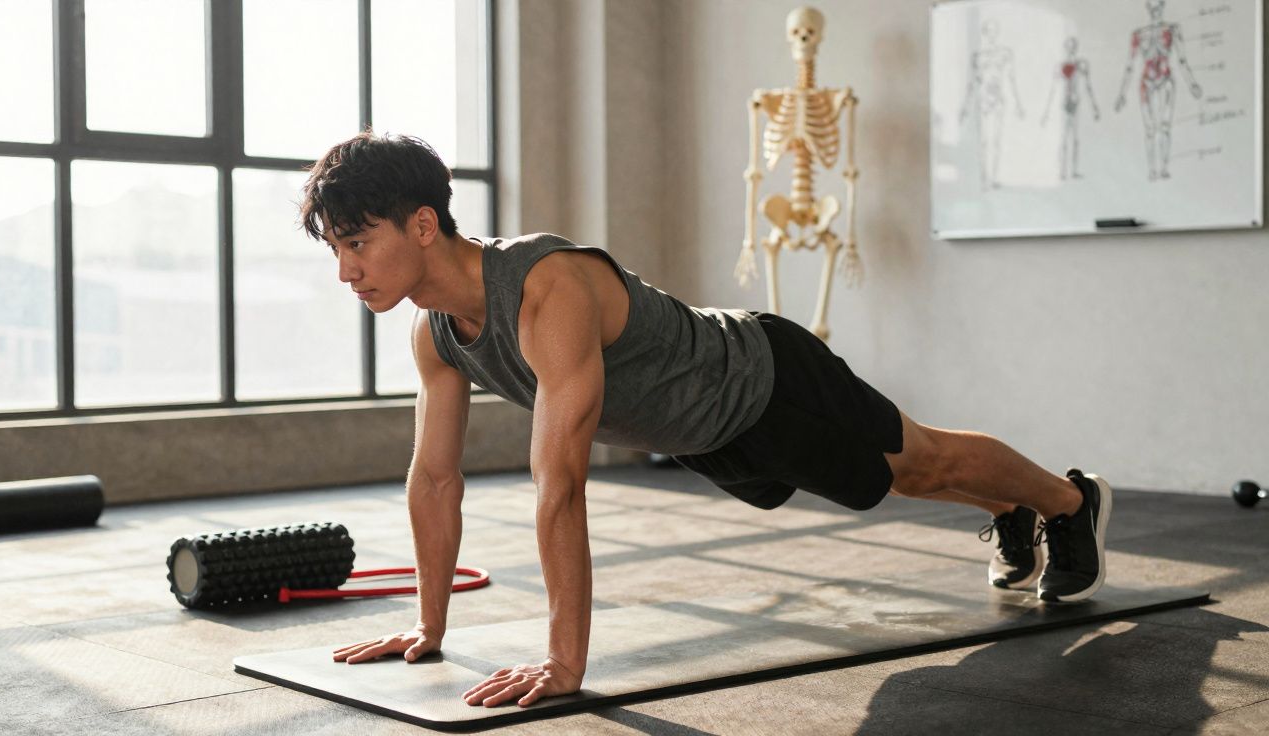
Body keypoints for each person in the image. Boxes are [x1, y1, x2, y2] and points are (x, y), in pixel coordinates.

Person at [302, 131, 1112, 709]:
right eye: (335, 249)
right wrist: (428, 625)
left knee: (918, 464)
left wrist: (562, 661)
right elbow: (436, 479)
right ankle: (1010, 509)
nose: (346, 271)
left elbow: (560, 485)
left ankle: (1071, 503)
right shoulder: (434, 332)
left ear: (421, 223)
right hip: (706, 438)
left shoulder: (547, 288)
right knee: (898, 477)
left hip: (764, 379)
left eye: (357, 243)